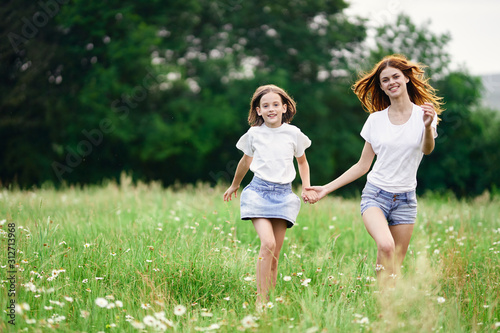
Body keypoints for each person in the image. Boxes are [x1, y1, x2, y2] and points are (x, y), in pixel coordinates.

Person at [306, 54, 443, 286]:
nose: (391, 82)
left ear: (407, 78)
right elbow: (362, 165)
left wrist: (428, 127)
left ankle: (384, 306)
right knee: (386, 245)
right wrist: (326, 189)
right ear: (381, 86)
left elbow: (427, 150)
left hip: (406, 199)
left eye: (395, 77)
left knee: (394, 264)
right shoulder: (375, 120)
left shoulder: (425, 116)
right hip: (376, 195)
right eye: (385, 80)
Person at [223, 84, 318, 307]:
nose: (271, 109)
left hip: (284, 196)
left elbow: (302, 162)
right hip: (258, 192)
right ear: (258, 110)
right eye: (265, 106)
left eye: (276, 104)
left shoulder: (293, 134)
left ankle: (269, 302)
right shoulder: (254, 134)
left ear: (285, 107)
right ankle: (259, 300)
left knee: (274, 254)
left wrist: (306, 187)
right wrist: (234, 185)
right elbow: (245, 161)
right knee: (267, 243)